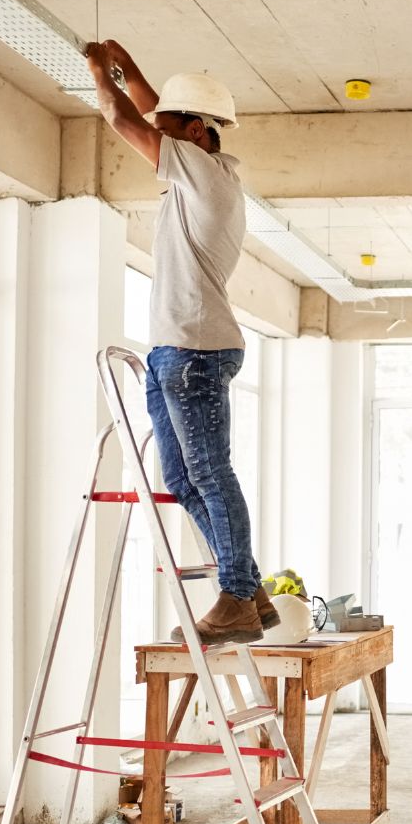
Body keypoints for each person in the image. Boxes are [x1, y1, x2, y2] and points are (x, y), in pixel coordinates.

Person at [85, 39, 275, 646]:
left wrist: (97, 73)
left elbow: (121, 117)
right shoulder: (199, 169)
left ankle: (237, 597)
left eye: (167, 127)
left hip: (194, 349)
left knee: (211, 475)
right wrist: (129, 69)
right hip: (178, 349)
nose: (155, 136)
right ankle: (248, 587)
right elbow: (150, 107)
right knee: (185, 479)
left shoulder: (202, 171)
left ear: (197, 131)